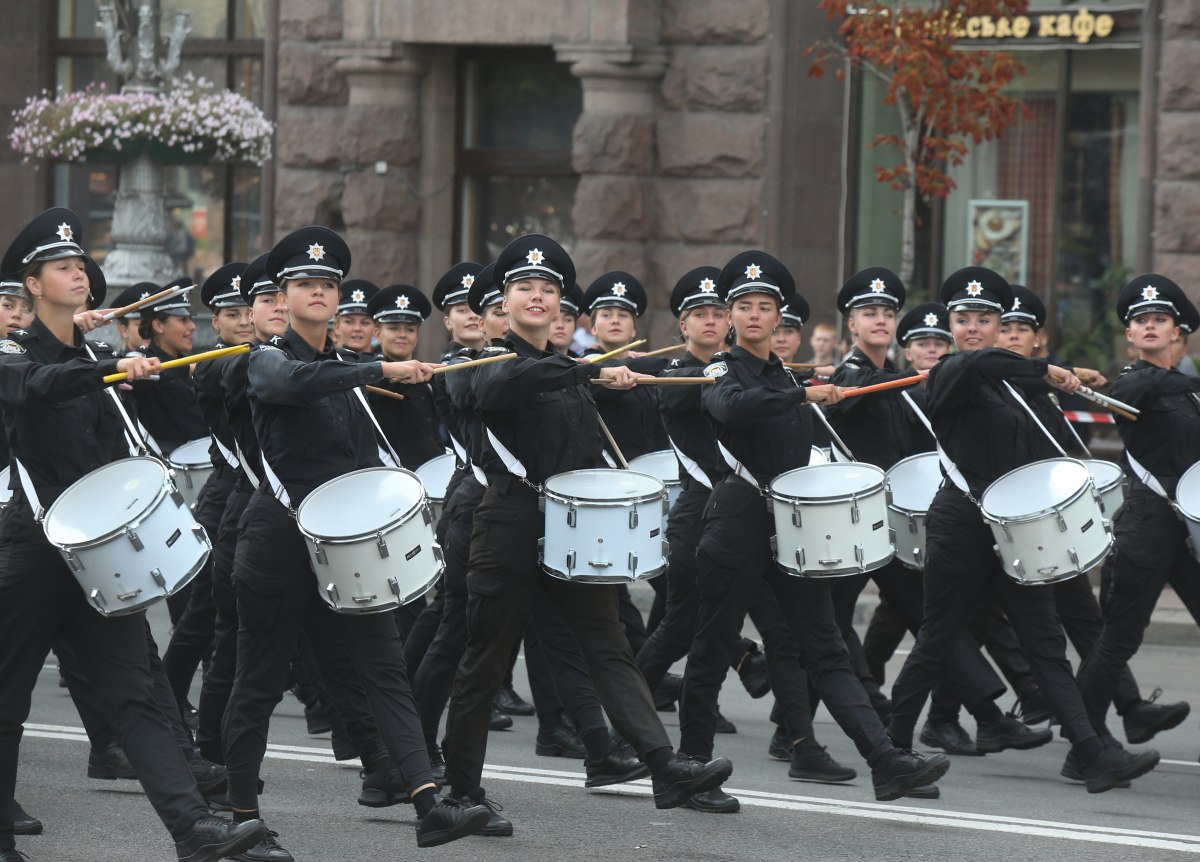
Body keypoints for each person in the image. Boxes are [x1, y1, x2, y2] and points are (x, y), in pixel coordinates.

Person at [0, 207, 265, 862]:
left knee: (138, 695)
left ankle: (194, 832)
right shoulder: (11, 353)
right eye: (62, 268)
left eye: (79, 266)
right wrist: (108, 368)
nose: (78, 275)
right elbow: (36, 388)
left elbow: (118, 459)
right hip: (33, 550)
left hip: (96, 555)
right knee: (8, 699)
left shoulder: (98, 359)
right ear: (32, 285)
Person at [442, 233, 734, 827]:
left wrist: (604, 376)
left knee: (608, 646)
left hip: (571, 524)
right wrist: (580, 371)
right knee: (486, 657)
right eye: (525, 288)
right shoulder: (485, 362)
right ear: (505, 299)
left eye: (549, 290)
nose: (538, 297)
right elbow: (503, 387)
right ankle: (459, 791)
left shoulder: (569, 368)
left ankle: (664, 767)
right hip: (509, 521)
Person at [222, 226, 489, 853]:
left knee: (384, 666)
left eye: (328, 284)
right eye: (305, 284)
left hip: (343, 545)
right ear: (283, 298)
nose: (319, 291)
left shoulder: (346, 369)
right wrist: (376, 367)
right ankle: (240, 812)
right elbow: (289, 385)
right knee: (257, 677)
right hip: (279, 539)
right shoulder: (266, 357)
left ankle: (427, 802)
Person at [679, 250, 948, 805]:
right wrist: (802, 393)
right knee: (712, 645)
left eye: (765, 307)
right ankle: (692, 766)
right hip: (737, 520)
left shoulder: (785, 374)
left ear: (780, 317)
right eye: (744, 307)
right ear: (730, 317)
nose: (755, 316)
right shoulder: (720, 370)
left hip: (792, 523)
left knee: (824, 647)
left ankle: (884, 761)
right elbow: (734, 410)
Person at [885, 266, 1160, 793]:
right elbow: (986, 363)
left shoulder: (1010, 384)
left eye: (984, 319)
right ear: (950, 324)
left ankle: (1090, 753)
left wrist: (1045, 376)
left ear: (996, 322)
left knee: (1043, 641)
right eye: (962, 318)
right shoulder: (950, 371)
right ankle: (893, 749)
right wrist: (1048, 367)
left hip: (1011, 528)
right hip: (960, 523)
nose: (972, 327)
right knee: (938, 638)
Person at [824, 270, 1049, 762]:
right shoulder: (851, 377)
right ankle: (812, 726)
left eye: (887, 313)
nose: (880, 320)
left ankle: (950, 716)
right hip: (858, 519)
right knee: (833, 623)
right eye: (870, 313)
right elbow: (854, 409)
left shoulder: (902, 377)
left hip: (897, 519)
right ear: (851, 323)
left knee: (919, 619)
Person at [1076, 275, 1200, 744]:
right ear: (1129, 335)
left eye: (1159, 320)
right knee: (1120, 639)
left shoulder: (1188, 393)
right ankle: (1082, 739)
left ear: (1177, 333)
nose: (1149, 326)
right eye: (1140, 321)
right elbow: (1126, 401)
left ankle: (1111, 725)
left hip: (1185, 526)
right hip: (1148, 524)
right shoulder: (1129, 383)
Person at [363, 284, 444, 470]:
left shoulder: (428, 378)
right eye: (393, 328)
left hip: (431, 476)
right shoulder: (370, 376)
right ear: (377, 334)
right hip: (390, 476)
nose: (402, 335)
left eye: (409, 329)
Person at [332, 278, 379, 356]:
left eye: (365, 323)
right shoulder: (324, 366)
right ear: (337, 327)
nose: (357, 329)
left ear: (376, 330)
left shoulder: (389, 366)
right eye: (349, 322)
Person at [107, 282, 157, 354]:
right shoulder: (113, 364)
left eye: (155, 323)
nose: (149, 331)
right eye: (141, 324)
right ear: (123, 330)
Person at [770, 295, 808, 365]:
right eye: (774, 332)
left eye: (788, 332)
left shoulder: (811, 375)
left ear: (798, 338)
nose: (781, 339)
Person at [549, 283, 583, 356]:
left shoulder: (584, 365)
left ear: (575, 326)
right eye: (553, 319)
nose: (560, 325)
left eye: (568, 320)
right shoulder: (525, 364)